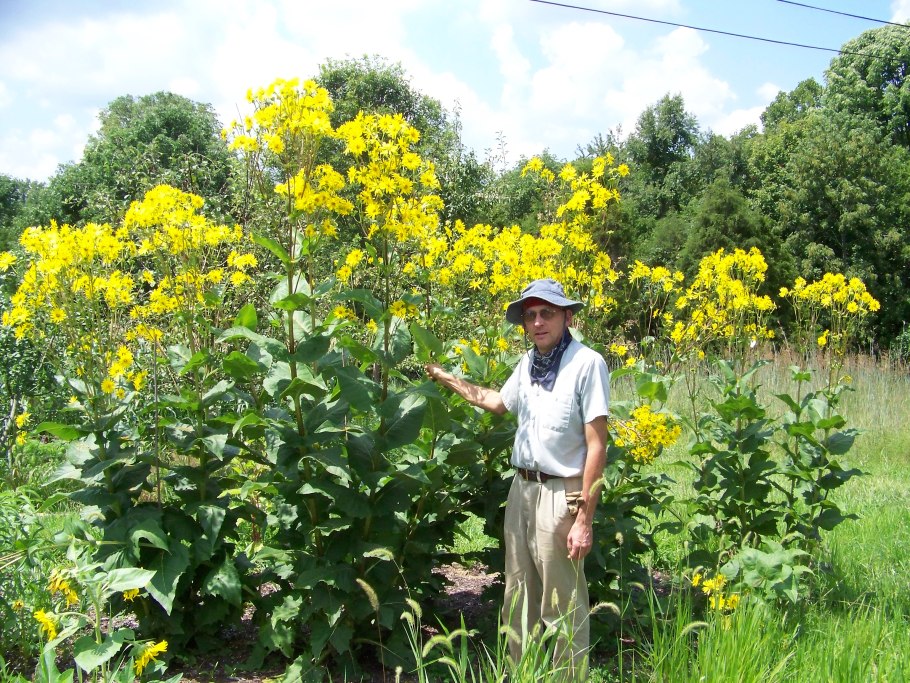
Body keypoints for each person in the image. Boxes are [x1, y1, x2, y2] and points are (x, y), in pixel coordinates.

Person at [426, 278, 610, 676]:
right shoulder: (528, 364)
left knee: (561, 603)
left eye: (547, 313)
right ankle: (519, 673)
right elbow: (497, 402)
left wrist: (584, 519)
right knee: (518, 596)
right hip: (521, 490)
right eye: (531, 316)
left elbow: (597, 446)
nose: (538, 322)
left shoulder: (586, 363)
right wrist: (446, 378)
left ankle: (568, 676)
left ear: (567, 316)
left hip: (562, 495)